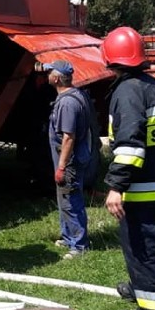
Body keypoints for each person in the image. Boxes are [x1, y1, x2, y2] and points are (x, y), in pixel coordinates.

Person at [101, 27, 155, 310]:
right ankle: (142, 287)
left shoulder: (128, 91)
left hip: (140, 184)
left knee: (143, 243)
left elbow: (131, 145)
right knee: (143, 238)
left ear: (110, 58)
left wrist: (115, 187)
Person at [44, 59, 98, 259]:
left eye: (50, 72)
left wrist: (61, 166)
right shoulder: (77, 94)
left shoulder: (66, 103)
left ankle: (79, 245)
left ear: (57, 78)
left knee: (70, 200)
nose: (47, 74)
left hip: (69, 161)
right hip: (78, 156)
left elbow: (68, 137)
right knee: (65, 198)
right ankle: (68, 236)